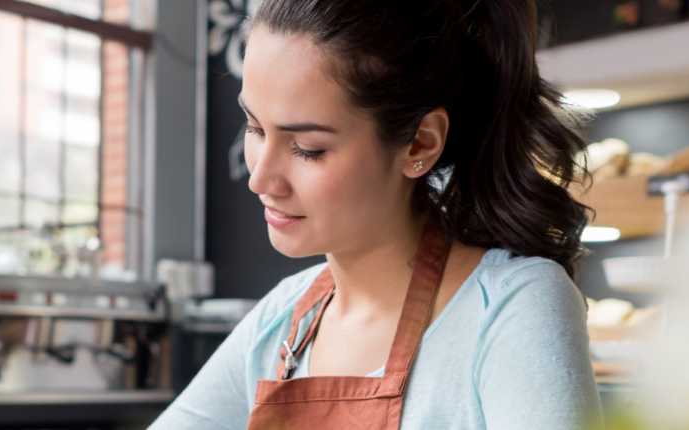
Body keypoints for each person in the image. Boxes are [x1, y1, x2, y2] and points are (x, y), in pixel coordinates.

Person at [151, 0, 601, 428]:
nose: (261, 178)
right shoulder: (283, 319)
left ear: (420, 143)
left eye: (309, 149)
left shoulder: (512, 306)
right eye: (253, 127)